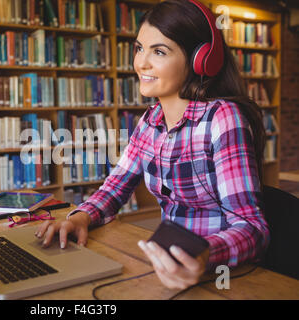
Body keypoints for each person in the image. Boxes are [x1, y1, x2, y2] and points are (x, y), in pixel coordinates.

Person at [35, 0, 270, 290]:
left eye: (159, 51)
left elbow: (252, 228)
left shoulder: (222, 119)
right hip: (167, 269)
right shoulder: (150, 121)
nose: (141, 62)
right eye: (139, 48)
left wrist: (203, 254)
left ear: (201, 59)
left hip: (223, 276)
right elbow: (114, 188)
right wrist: (80, 218)